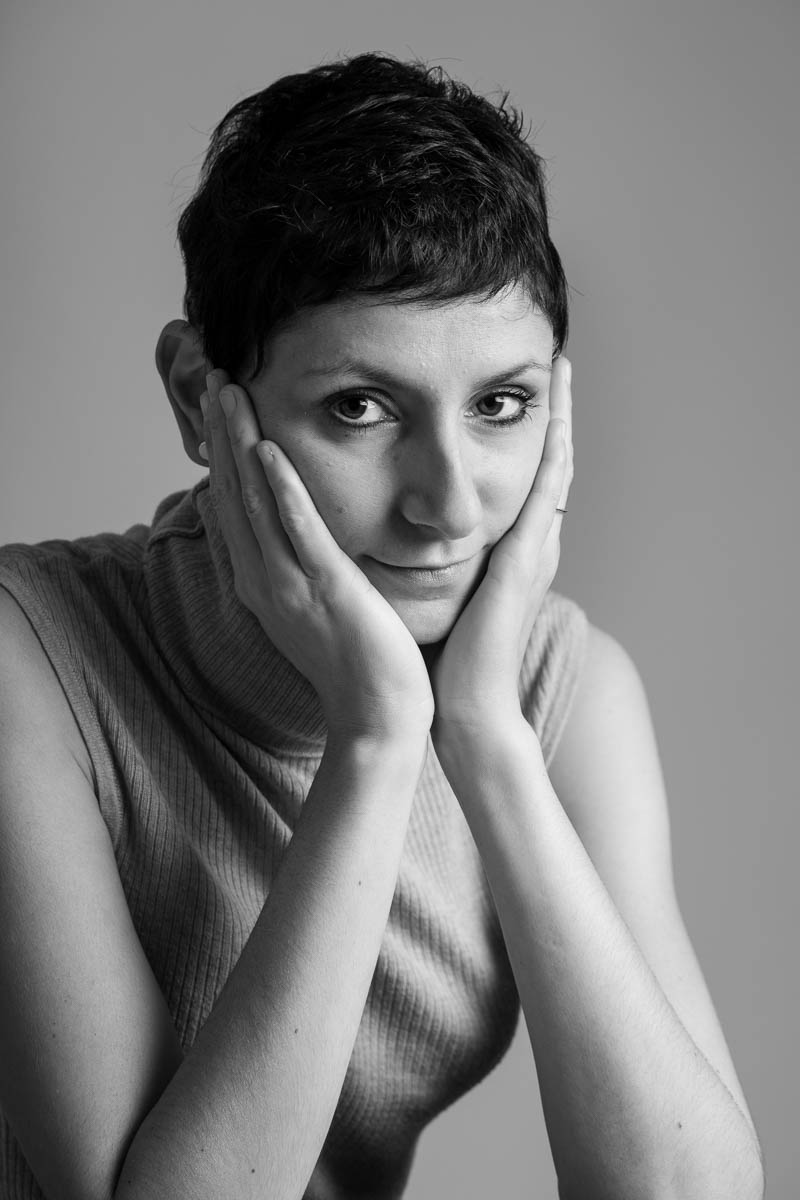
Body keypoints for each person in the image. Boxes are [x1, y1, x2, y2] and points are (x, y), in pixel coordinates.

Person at [0, 51, 764, 1200]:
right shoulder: (30, 659)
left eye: (500, 404)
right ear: (199, 397)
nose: (447, 504)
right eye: (360, 407)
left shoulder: (560, 691)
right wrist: (375, 737)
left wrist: (487, 740)